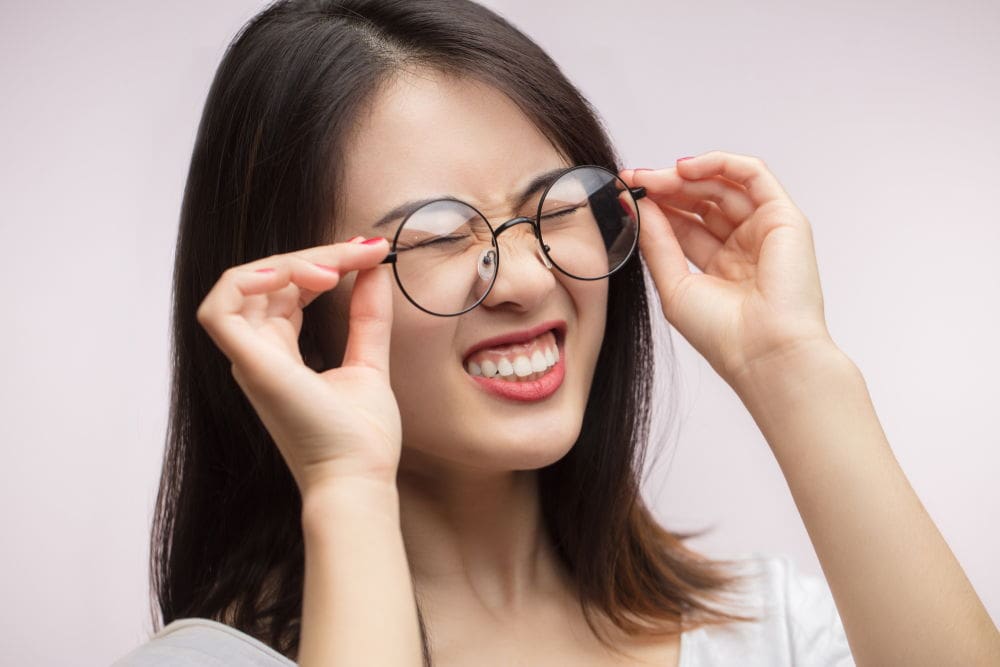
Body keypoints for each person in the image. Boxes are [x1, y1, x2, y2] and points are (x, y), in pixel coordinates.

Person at [113, 0, 999, 665]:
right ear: (297, 303)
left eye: (554, 207)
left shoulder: (768, 626)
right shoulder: (217, 657)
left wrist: (793, 368)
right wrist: (347, 484)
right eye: (435, 234)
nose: (531, 279)